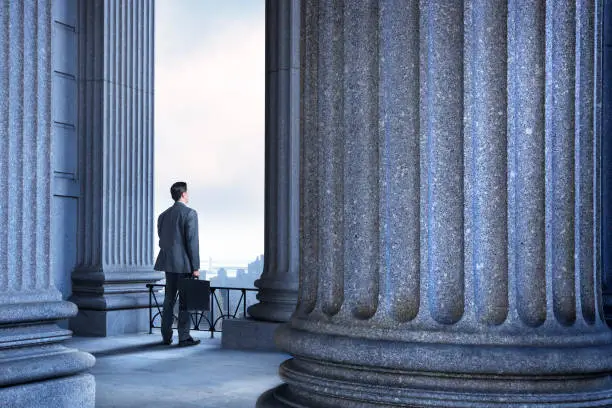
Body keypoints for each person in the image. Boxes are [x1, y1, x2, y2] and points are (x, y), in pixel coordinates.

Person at [154, 181, 201, 347]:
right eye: (187, 193)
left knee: (168, 300)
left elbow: (162, 239)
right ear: (183, 194)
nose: (188, 196)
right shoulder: (190, 213)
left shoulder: (163, 215)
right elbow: (192, 242)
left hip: (168, 264)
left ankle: (166, 336)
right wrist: (195, 267)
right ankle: (184, 337)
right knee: (185, 302)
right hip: (185, 265)